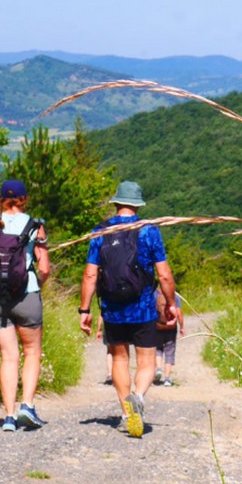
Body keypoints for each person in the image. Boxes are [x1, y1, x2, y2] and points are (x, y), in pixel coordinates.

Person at [78, 181, 178, 438]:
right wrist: (170, 303)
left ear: (116, 203)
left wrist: (84, 309)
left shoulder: (99, 232)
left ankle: (126, 412)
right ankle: (139, 396)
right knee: (146, 361)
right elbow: (164, 274)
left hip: (112, 308)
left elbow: (90, 275)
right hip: (143, 308)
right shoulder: (148, 231)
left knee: (119, 359)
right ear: (137, 205)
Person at [0, 179, 51, 433]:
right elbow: (45, 268)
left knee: (8, 356)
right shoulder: (36, 226)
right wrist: (36, 284)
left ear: (0, 200)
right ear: (24, 200)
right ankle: (26, 405)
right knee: (32, 351)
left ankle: (8, 417)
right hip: (26, 295)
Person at [154, 287, 184, 386]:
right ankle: (167, 379)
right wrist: (182, 326)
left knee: (158, 348)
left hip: (157, 326)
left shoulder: (154, 294)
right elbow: (179, 313)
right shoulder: (174, 296)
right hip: (171, 327)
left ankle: (158, 369)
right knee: (169, 351)